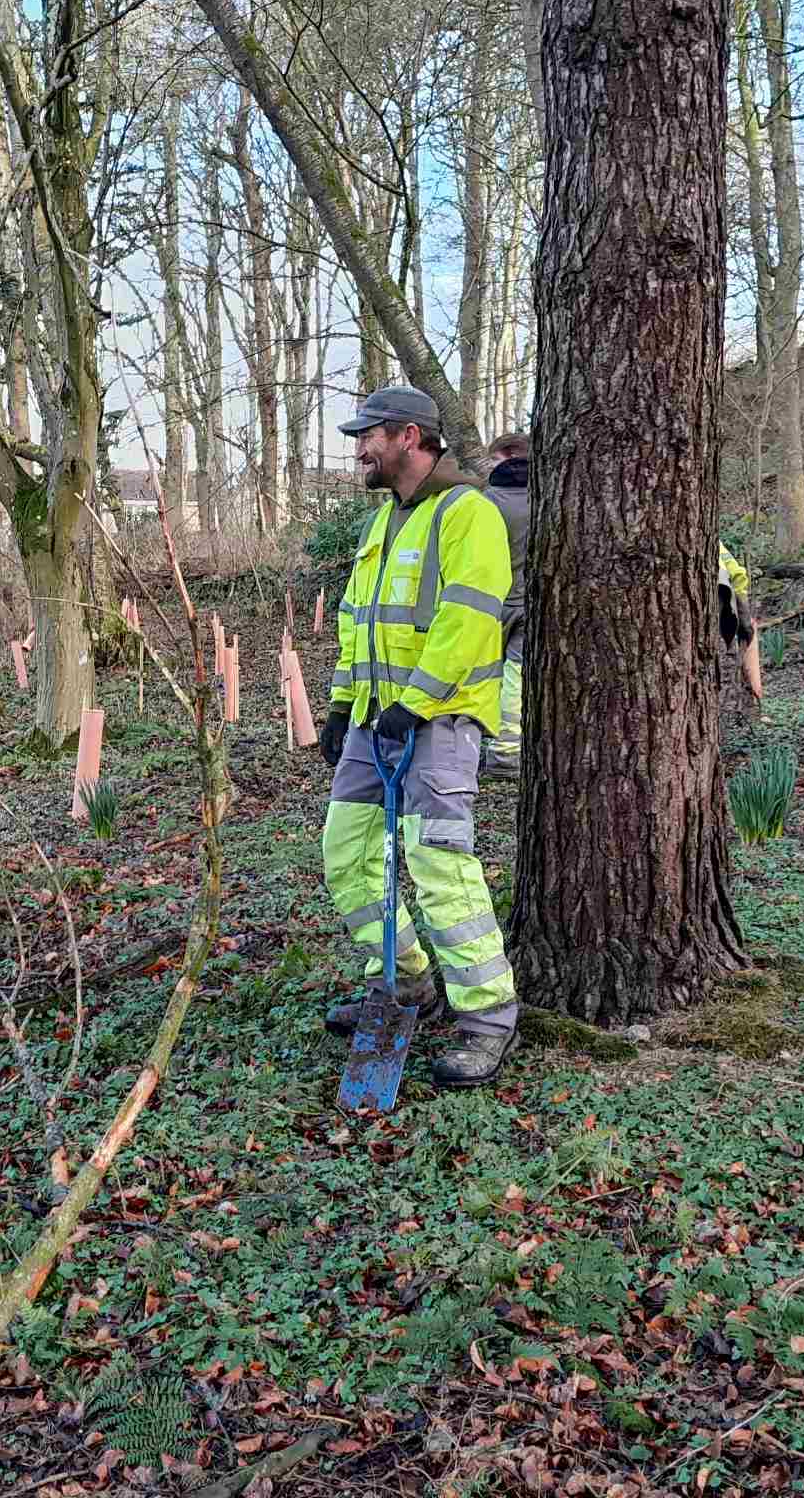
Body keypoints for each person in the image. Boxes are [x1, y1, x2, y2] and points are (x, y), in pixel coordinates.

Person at [320, 386, 520, 1089]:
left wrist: (416, 701)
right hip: (376, 724)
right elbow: (357, 620)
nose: (358, 451)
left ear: (409, 436)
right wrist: (343, 705)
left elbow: (468, 619)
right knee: (345, 850)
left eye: (366, 436)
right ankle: (402, 983)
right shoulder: (386, 522)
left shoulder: (468, 513)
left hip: (438, 722)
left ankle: (488, 1019)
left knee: (439, 865)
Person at [480, 434, 529, 774]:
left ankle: (500, 753)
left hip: (490, 605)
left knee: (490, 678)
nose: (488, 466)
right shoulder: (551, 498)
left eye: (492, 459)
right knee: (516, 680)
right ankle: (509, 751)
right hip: (531, 605)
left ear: (509, 456)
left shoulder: (485, 504)